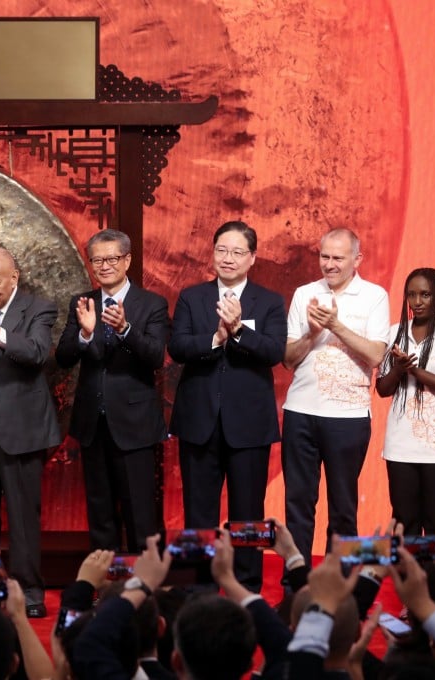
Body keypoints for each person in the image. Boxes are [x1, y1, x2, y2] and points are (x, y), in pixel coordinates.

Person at [168, 220, 286, 591]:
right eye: (222, 250)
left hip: (248, 425)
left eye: (237, 252)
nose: (228, 259)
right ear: (213, 252)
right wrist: (216, 338)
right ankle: (199, 587)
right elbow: (178, 347)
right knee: (198, 511)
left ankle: (246, 585)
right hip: (199, 420)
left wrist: (239, 331)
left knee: (247, 513)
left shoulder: (269, 301)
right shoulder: (192, 297)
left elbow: (273, 352)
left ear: (252, 258)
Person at [56, 229, 170, 554]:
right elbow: (63, 357)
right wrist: (85, 335)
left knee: (140, 513)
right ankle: (101, 590)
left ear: (127, 260)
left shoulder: (151, 304)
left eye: (111, 258)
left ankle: (141, 592)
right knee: (100, 512)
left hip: (135, 425)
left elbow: (156, 357)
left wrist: (125, 329)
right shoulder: (82, 303)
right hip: (93, 424)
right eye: (97, 260)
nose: (104, 266)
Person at [282, 228, 391, 565]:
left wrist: (336, 325)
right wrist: (312, 333)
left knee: (343, 507)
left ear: (356, 260)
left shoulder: (374, 296)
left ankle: (338, 586)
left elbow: (376, 356)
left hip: (348, 418)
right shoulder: (304, 294)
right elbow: (288, 359)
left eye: (337, 258)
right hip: (300, 412)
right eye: (324, 256)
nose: (328, 264)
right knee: (298, 503)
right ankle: (296, 583)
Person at [0, 247, 60, 618]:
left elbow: (36, 353)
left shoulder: (39, 308)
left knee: (22, 516)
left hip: (23, 428)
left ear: (14, 277)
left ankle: (29, 590)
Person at [375, 267, 435, 535]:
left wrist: (416, 371)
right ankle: (408, 575)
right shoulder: (395, 333)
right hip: (401, 444)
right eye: (412, 295)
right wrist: (398, 369)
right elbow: (382, 389)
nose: (417, 302)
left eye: (425, 294)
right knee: (405, 521)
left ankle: (434, 578)